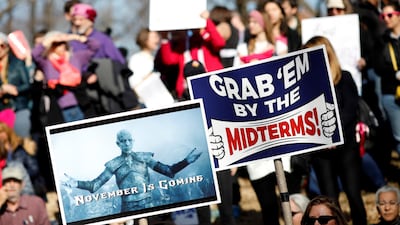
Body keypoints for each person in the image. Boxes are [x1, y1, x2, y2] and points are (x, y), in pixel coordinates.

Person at [303, 36, 367, 225]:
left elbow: (350, 111)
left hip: (346, 147)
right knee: (330, 201)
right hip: (321, 152)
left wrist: (333, 136)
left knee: (354, 195)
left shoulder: (344, 77)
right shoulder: (306, 84)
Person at [63, 129, 202, 212]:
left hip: (148, 205)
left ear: (133, 141)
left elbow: (168, 171)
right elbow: (94, 185)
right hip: (128, 208)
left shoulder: (144, 157)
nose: (127, 143)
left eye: (129, 140)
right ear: (118, 143)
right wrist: (76, 183)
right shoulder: (114, 164)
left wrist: (186, 161)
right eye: (123, 141)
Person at [155, 10, 226, 101]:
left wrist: (207, 21)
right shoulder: (184, 43)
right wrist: (164, 38)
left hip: (213, 85)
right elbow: (169, 60)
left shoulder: (207, 38)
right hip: (188, 90)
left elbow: (219, 43)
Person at [32, 31, 100, 124]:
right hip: (59, 109)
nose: (60, 46)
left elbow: (95, 47)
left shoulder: (75, 57)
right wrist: (50, 39)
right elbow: (35, 54)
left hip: (80, 105)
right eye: (56, 44)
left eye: (62, 43)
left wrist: (76, 37)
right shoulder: (46, 63)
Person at [373, 1, 400, 160]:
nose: (386, 19)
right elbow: (378, 66)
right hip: (390, 93)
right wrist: (395, 74)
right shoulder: (381, 41)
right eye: (383, 16)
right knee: (398, 137)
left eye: (390, 15)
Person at [0, 32, 32, 138]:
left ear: (7, 47)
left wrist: (15, 89)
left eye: (2, 46)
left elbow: (27, 84)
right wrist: (2, 89)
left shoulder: (17, 63)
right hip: (2, 111)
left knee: (22, 142)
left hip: (19, 107)